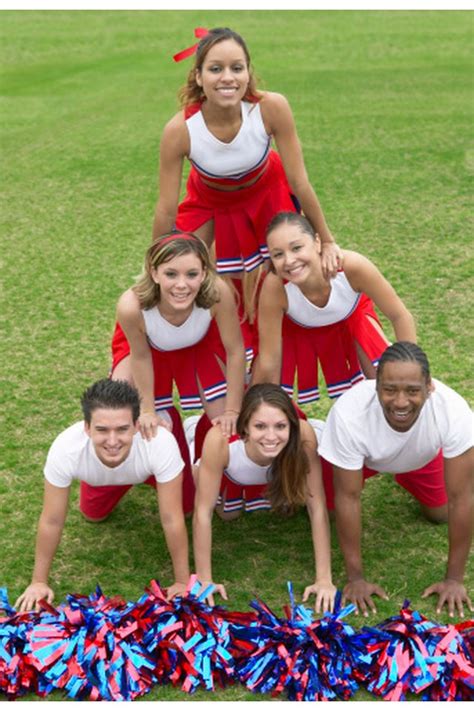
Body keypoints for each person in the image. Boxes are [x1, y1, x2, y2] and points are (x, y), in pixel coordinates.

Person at [153, 26, 341, 315]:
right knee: (181, 271)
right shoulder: (180, 130)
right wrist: (156, 265)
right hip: (210, 201)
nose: (227, 77)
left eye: (237, 68)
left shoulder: (271, 107)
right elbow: (166, 210)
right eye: (216, 69)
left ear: (247, 74)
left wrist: (326, 241)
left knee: (292, 266)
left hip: (268, 191)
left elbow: (300, 184)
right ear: (199, 77)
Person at [317, 341, 473, 617]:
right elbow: (348, 497)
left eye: (412, 391)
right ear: (376, 386)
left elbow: (462, 498)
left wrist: (454, 579)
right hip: (363, 459)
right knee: (330, 510)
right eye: (389, 390)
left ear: (429, 387)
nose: (400, 401)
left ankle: (405, 476)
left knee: (440, 513)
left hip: (420, 457)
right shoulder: (349, 413)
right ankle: (317, 435)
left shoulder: (453, 411)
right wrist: (355, 578)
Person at [15, 379, 189, 612]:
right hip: (102, 476)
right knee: (93, 515)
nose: (113, 440)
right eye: (102, 430)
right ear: (86, 427)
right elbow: (52, 519)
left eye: (122, 429)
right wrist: (38, 582)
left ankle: (190, 432)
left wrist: (181, 581)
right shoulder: (66, 448)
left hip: (150, 470)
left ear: (136, 425)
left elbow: (171, 517)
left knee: (187, 509)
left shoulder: (160, 443)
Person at [192, 383, 336, 613]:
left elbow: (316, 507)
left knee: (302, 503)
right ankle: (191, 430)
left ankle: (281, 483)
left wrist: (324, 579)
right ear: (245, 427)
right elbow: (203, 512)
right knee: (227, 513)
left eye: (280, 426)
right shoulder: (219, 441)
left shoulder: (303, 435)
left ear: (291, 425)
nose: (271, 436)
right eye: (260, 426)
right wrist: (204, 580)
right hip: (233, 472)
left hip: (283, 466)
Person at [253, 212, 416, 403]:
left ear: (317, 242)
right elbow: (269, 361)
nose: (289, 260)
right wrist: (252, 409)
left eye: (297, 248)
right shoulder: (275, 287)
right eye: (278, 254)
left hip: (354, 321)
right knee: (271, 397)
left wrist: (413, 369)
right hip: (295, 333)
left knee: (390, 386)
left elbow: (399, 316)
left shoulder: (350, 267)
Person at [112, 232, 246, 441]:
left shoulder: (218, 294)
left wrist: (233, 411)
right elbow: (140, 356)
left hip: (201, 345)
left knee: (231, 430)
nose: (181, 285)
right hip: (147, 349)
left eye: (191, 274)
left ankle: (200, 439)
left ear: (203, 273)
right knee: (119, 411)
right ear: (154, 273)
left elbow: (235, 350)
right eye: (171, 274)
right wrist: (147, 410)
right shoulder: (132, 306)